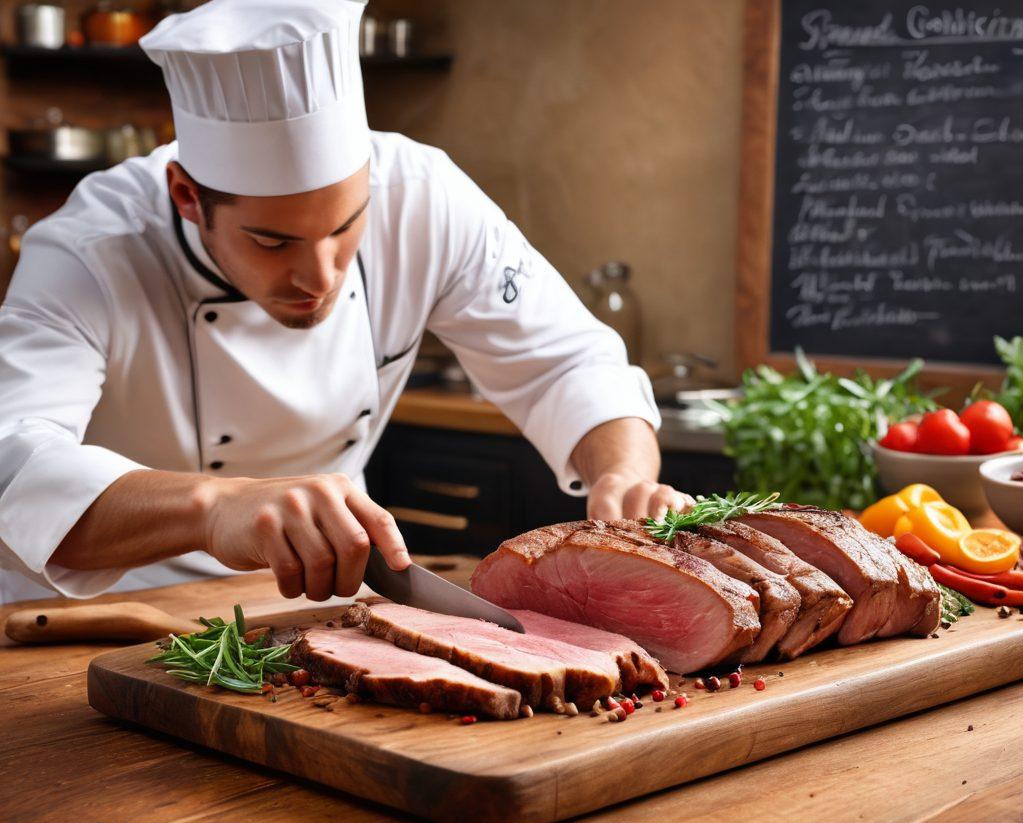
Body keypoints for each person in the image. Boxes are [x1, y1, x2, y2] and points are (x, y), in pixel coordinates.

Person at [0, 0, 688, 605]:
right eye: (272, 242)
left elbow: (566, 360)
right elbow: (15, 461)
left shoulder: (425, 197)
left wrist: (623, 477)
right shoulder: (90, 253)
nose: (320, 275)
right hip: (97, 615)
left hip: (312, 595)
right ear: (187, 196)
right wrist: (218, 507)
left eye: (345, 225)